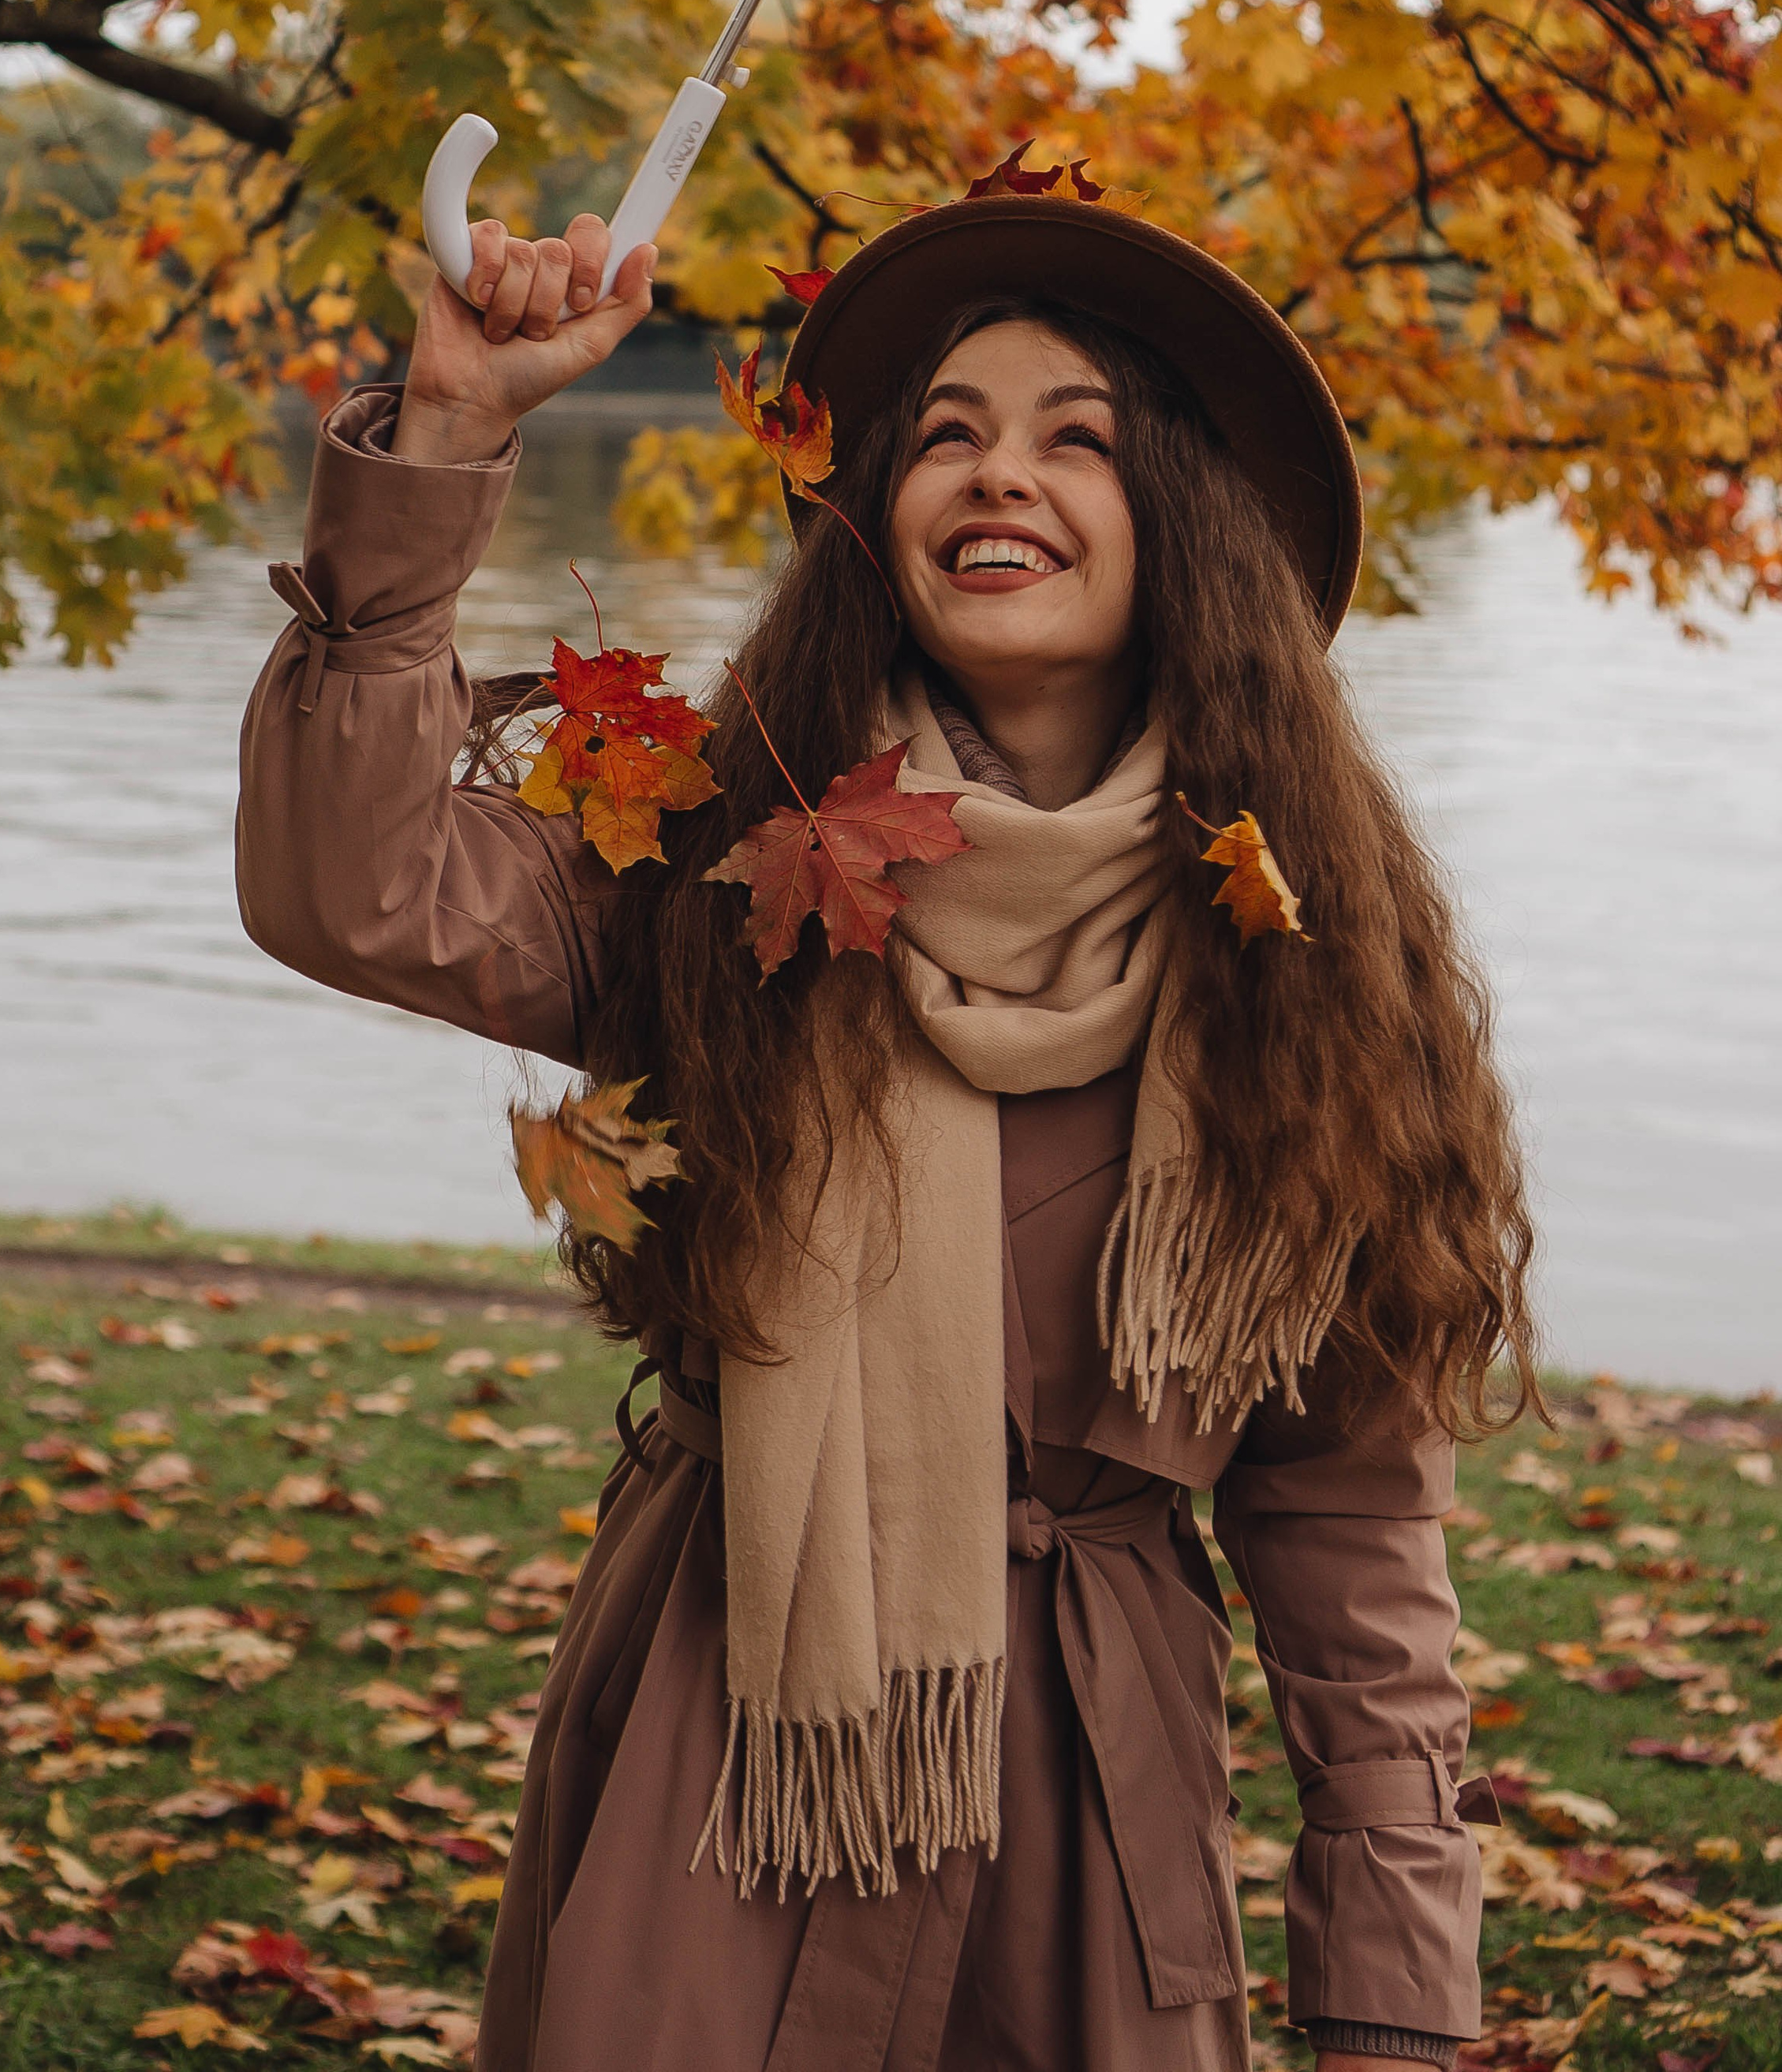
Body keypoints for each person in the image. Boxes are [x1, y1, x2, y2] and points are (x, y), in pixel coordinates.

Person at [236, 170, 1537, 2072]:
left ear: (1182, 525)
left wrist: (1392, 2006)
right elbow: (346, 883)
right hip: (722, 1753)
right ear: (880, 521)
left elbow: (1354, 1543)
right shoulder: (718, 860)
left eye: (1072, 440)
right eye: (945, 435)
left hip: (1087, 1821)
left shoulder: (1305, 966)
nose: (995, 476)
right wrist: (443, 433)